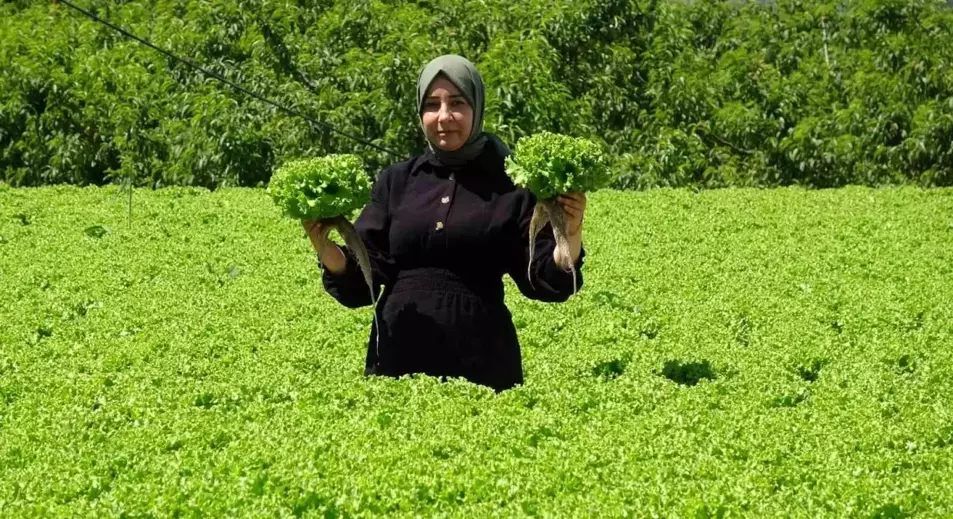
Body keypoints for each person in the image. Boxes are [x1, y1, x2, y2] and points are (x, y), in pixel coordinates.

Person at [301, 54, 588, 392]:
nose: (443, 117)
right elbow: (364, 276)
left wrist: (570, 232)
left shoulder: (511, 184)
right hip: (397, 358)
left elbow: (542, 278)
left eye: (456, 103)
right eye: (432, 105)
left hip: (482, 362)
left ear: (476, 107)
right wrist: (324, 246)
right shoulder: (397, 181)